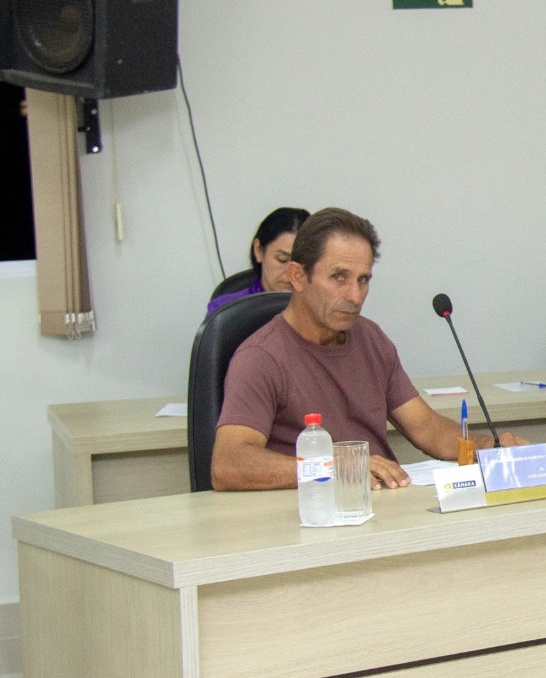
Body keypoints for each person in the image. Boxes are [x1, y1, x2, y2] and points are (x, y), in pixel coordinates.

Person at [211, 207, 528, 490]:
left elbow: (426, 428)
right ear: (297, 276)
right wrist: (336, 466)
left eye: (363, 279)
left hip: (383, 504)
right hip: (313, 515)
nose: (354, 295)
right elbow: (229, 465)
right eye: (339, 277)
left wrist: (487, 448)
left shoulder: (370, 338)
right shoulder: (261, 357)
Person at [207, 207, 310, 313]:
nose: (290, 273)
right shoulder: (223, 310)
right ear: (258, 251)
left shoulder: (318, 307)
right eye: (282, 259)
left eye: (300, 263)